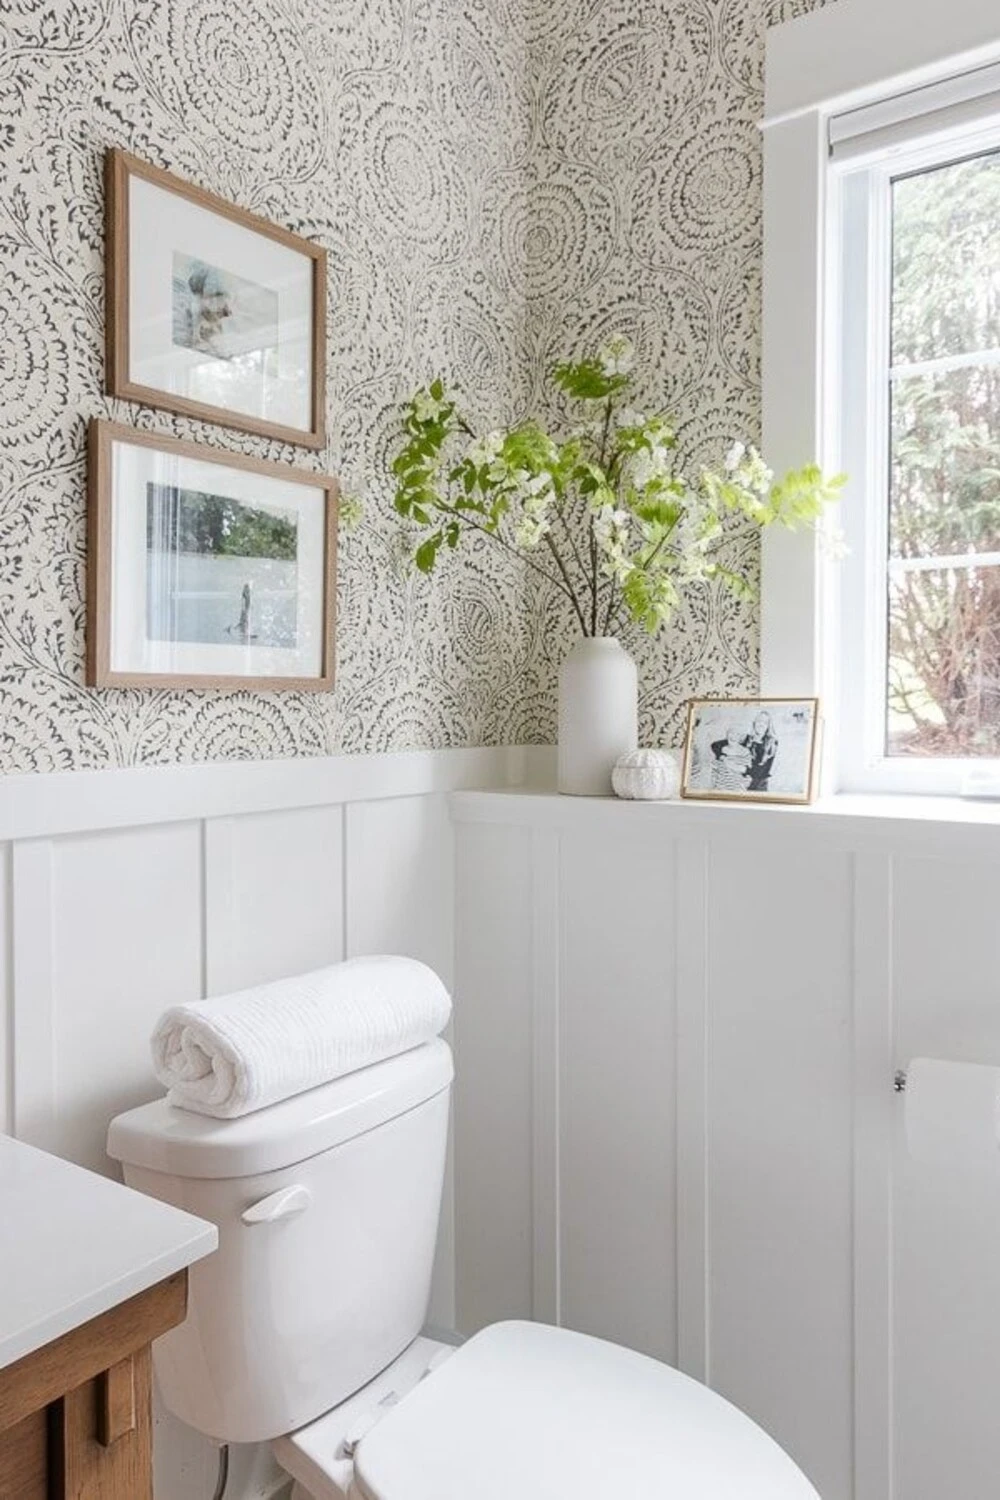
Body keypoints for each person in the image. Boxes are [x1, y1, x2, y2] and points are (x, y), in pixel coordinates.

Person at [709, 725, 752, 792]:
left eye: (737, 734)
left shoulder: (745, 752)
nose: (733, 736)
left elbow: (748, 774)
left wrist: (743, 786)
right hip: (720, 789)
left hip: (738, 790)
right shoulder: (721, 750)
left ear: (741, 737)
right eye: (731, 732)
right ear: (727, 734)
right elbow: (715, 771)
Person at [744, 710, 778, 792]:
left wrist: (743, 770)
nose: (761, 724)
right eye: (759, 721)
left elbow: (763, 769)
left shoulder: (772, 742)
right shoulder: (747, 739)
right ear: (754, 723)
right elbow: (716, 745)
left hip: (760, 784)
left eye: (765, 722)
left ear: (768, 726)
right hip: (742, 782)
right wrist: (722, 756)